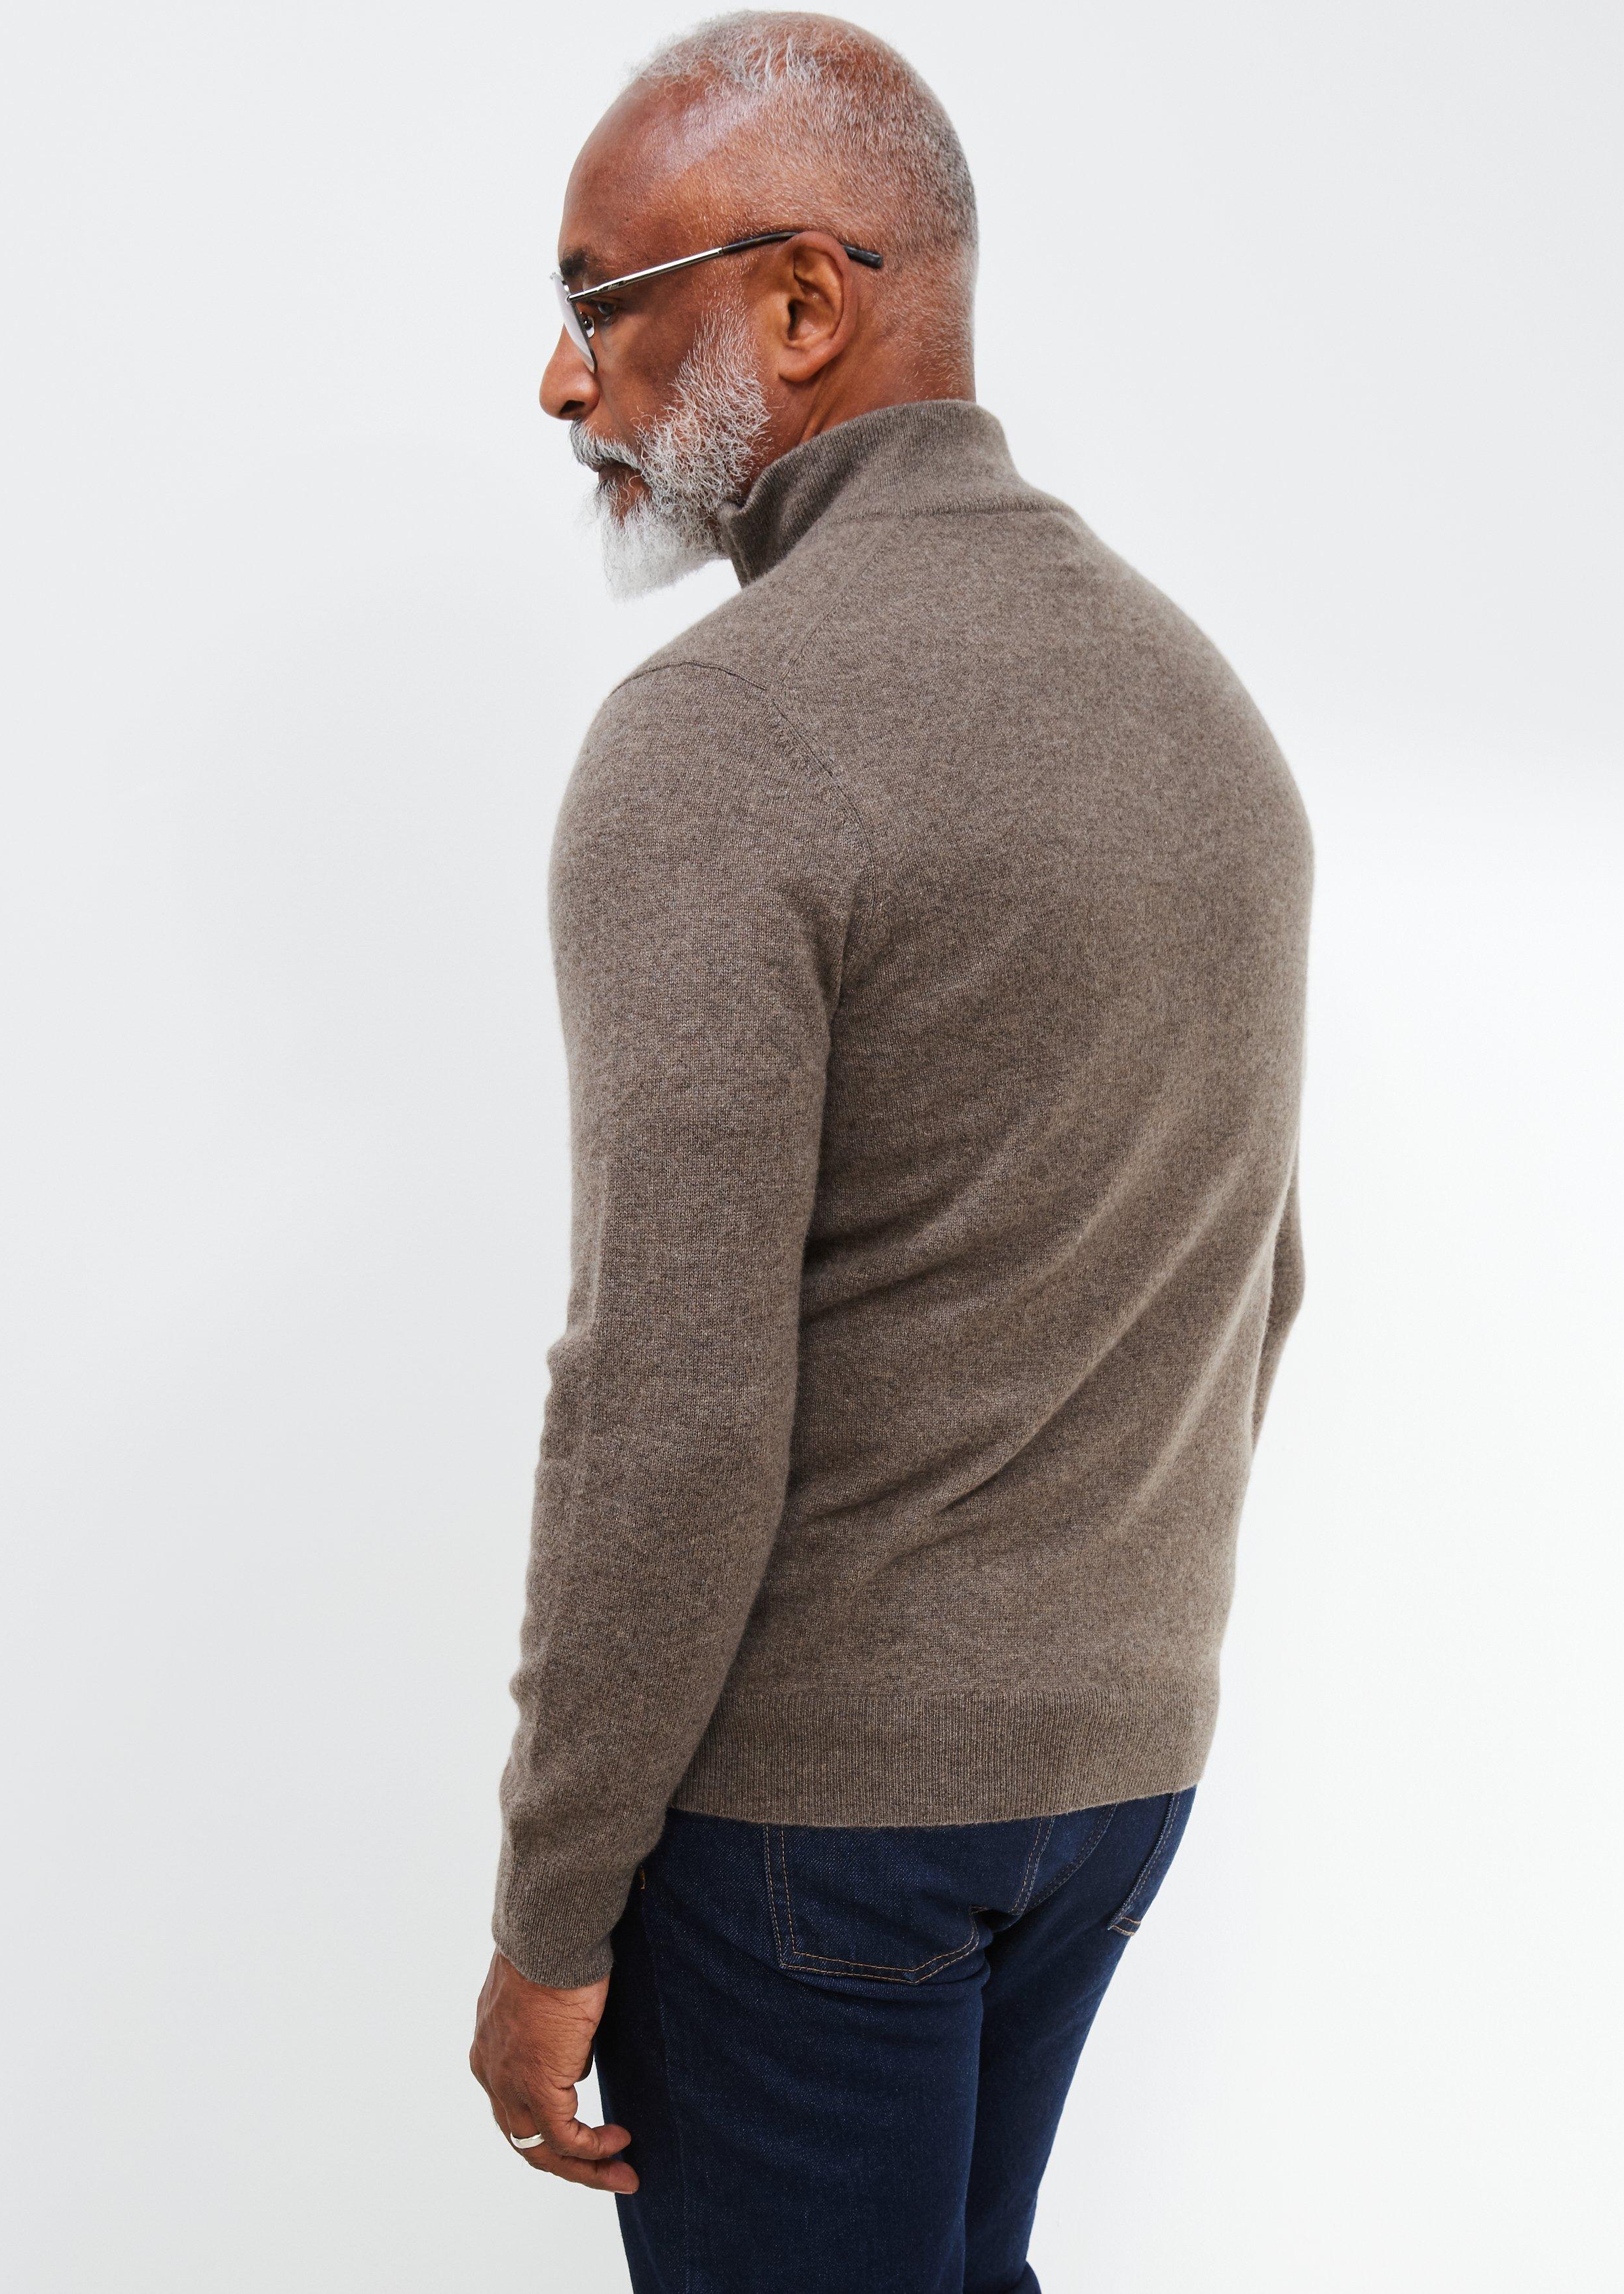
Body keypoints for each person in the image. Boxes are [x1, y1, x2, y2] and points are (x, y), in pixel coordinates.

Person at [469, 14, 1312, 2290]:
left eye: (599, 304)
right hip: (1116, 1775)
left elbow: (669, 1399)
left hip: (811, 1819)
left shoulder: (721, 742)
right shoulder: (1194, 700)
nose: (561, 385)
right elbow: (1260, 1271)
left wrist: (552, 1914)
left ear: (799, 304)